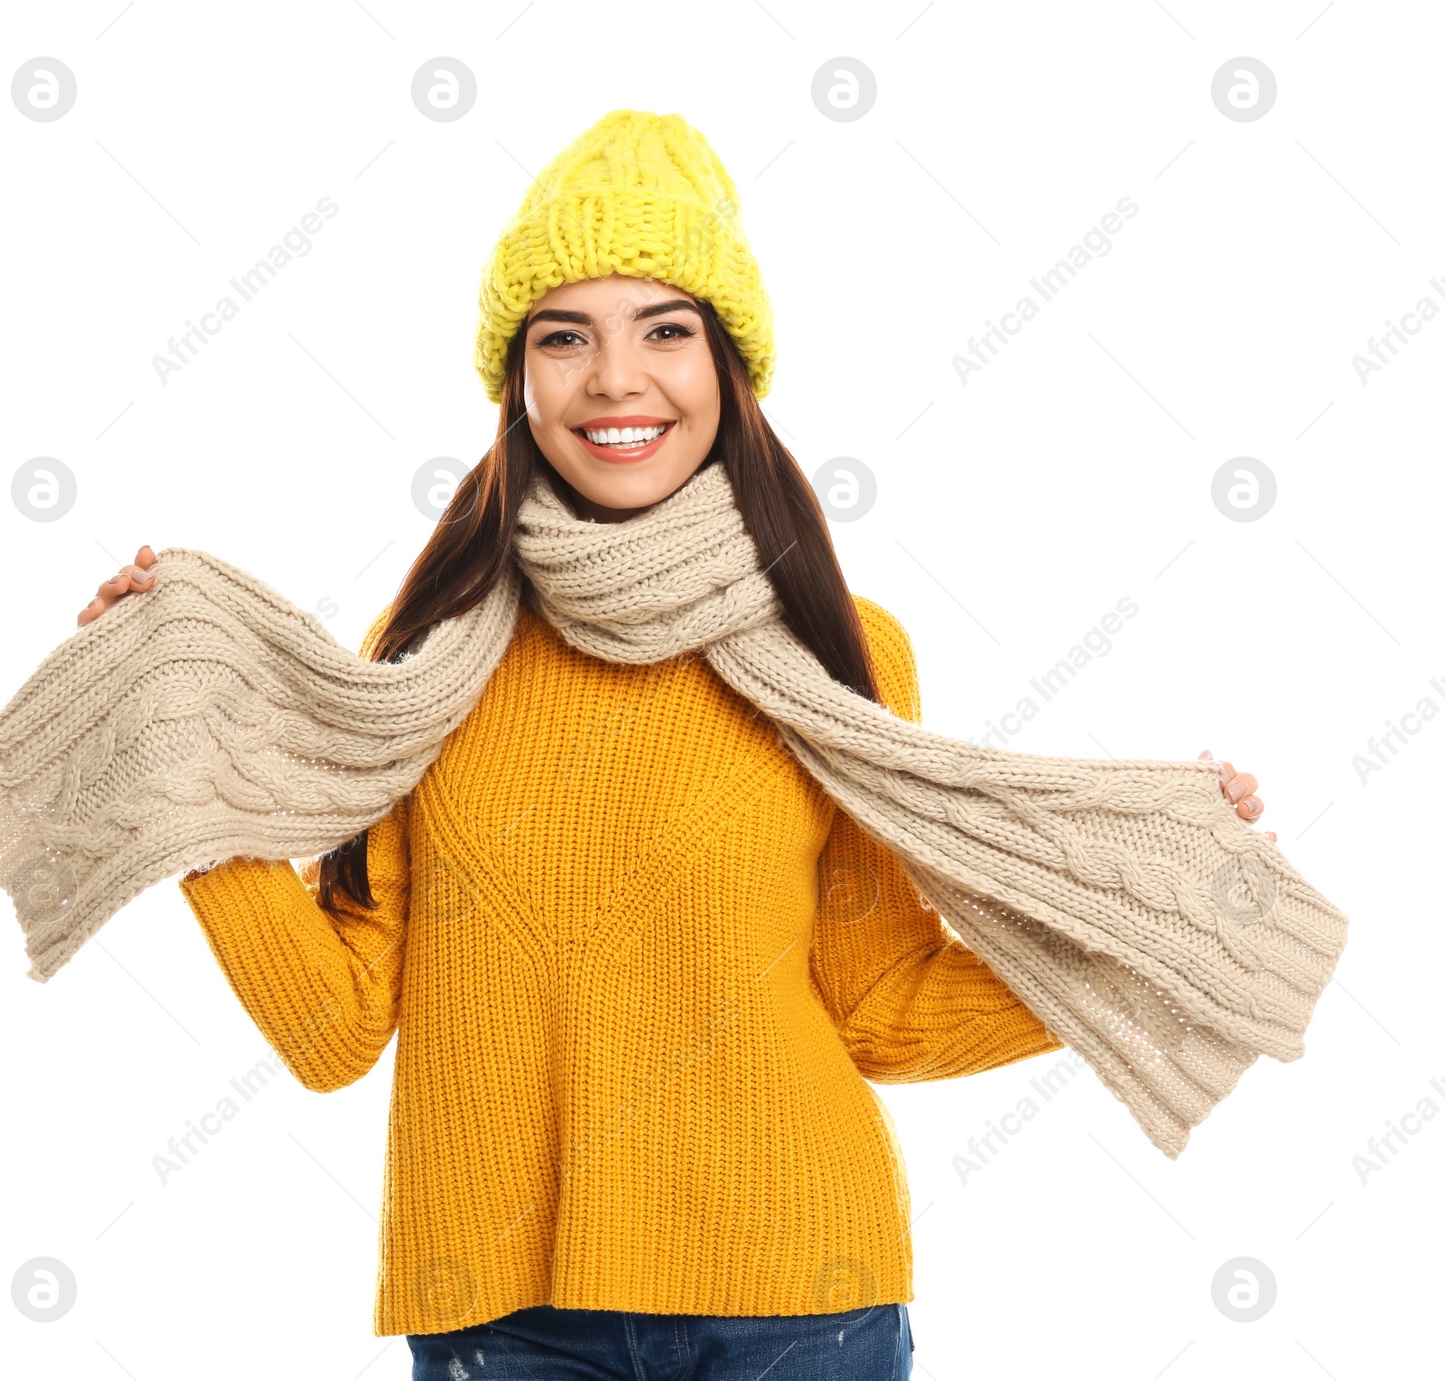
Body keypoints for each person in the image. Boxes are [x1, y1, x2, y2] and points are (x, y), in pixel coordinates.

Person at [76, 110, 1271, 1380]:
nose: (613, 379)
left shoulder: (845, 650)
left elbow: (884, 1009)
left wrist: (1160, 925)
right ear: (517, 379)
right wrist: (180, 770)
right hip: (501, 1313)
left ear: (729, 367)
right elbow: (335, 1028)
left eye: (665, 330)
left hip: (801, 1306)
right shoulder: (423, 648)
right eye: (563, 336)